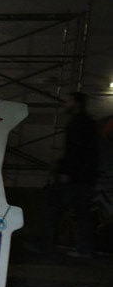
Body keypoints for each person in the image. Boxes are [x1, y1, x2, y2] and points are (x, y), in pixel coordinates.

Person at [42, 91, 99, 257]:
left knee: (54, 208)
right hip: (83, 176)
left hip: (75, 177)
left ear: (76, 102)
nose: (65, 104)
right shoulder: (86, 122)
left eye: (68, 101)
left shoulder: (78, 123)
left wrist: (65, 170)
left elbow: (75, 151)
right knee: (81, 212)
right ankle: (84, 248)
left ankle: (46, 245)